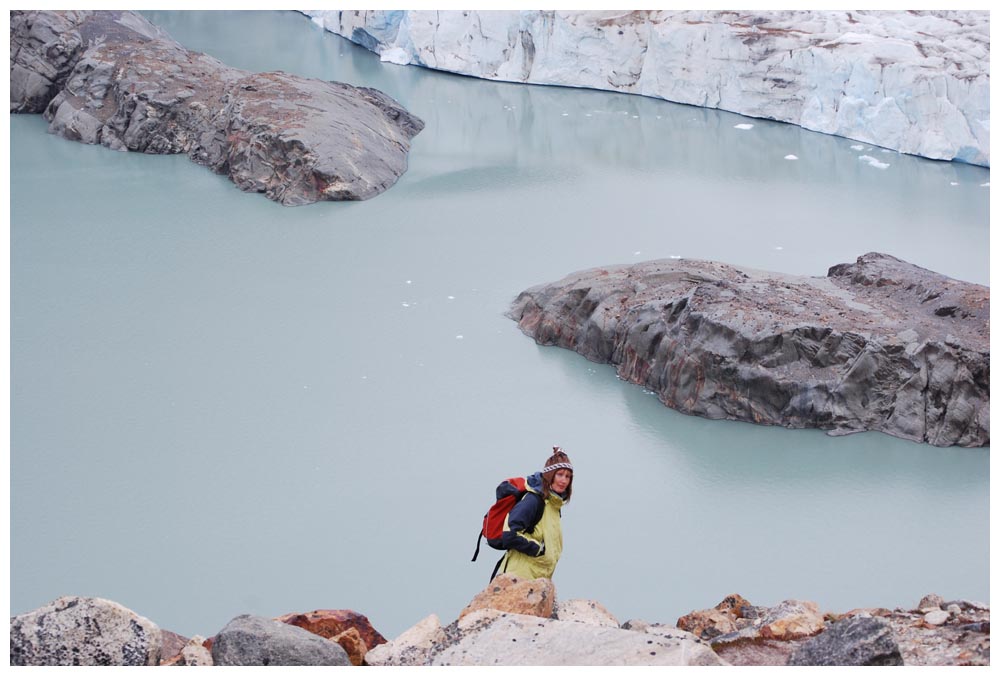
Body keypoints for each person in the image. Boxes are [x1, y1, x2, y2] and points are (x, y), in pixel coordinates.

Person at [493, 447, 574, 581]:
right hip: (517, 578)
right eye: (560, 474)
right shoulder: (534, 500)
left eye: (568, 476)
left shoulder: (554, 506)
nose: (564, 481)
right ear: (550, 475)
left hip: (538, 579)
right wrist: (538, 549)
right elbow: (509, 534)